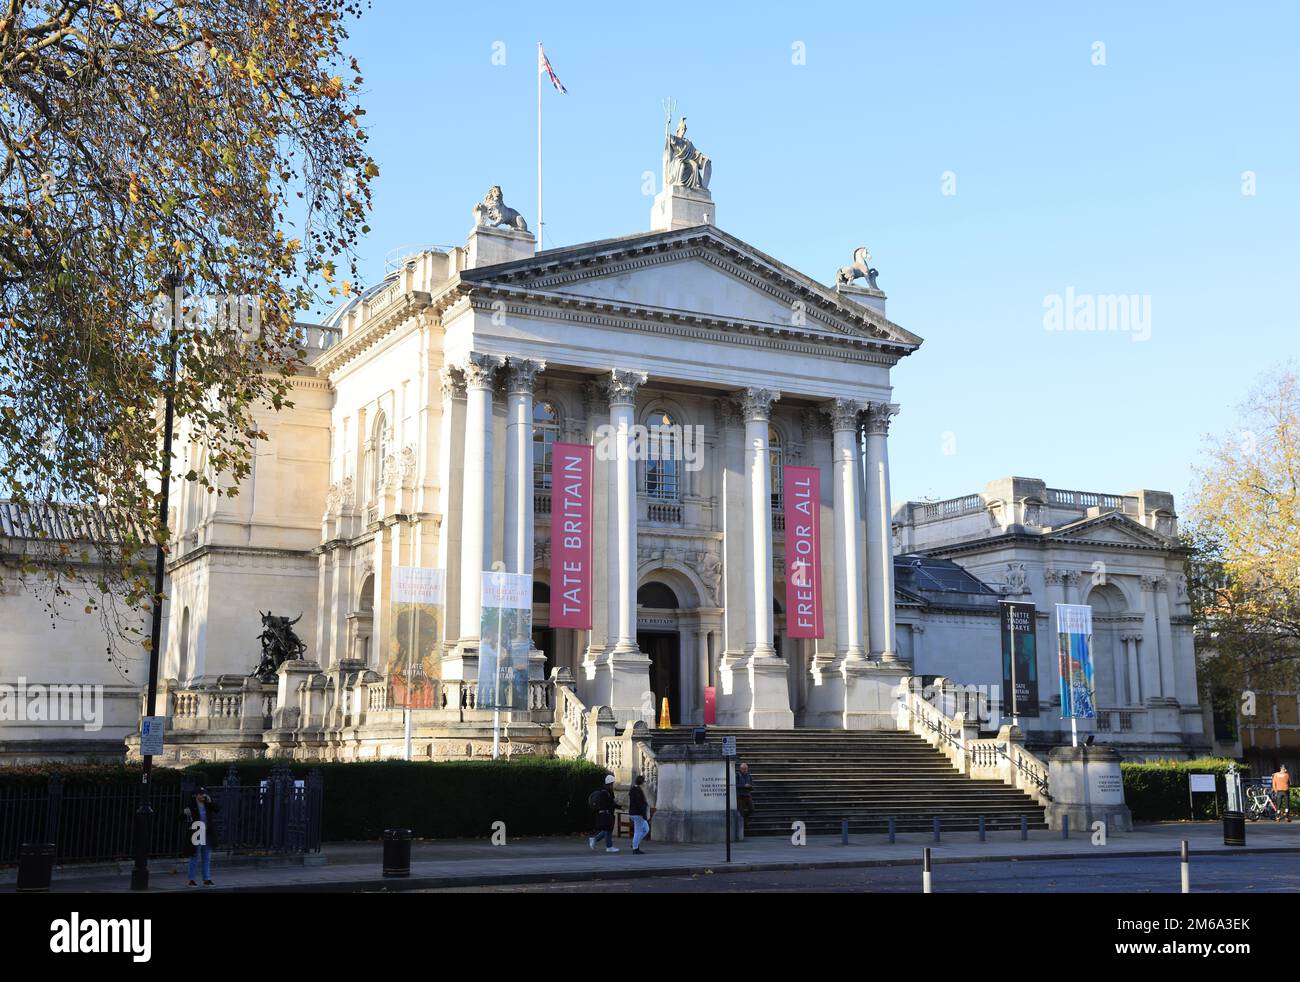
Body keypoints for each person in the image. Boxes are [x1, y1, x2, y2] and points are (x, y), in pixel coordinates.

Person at [181, 785, 221, 886]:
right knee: (194, 856)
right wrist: (184, 813)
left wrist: (210, 801)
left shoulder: (208, 804)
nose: (202, 796)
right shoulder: (191, 805)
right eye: (200, 794)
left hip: (207, 833)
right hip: (196, 833)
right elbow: (181, 818)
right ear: (196, 795)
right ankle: (191, 879)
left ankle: (207, 879)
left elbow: (217, 809)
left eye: (203, 794)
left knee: (206, 857)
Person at [587, 774, 620, 853]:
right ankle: (609, 846)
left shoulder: (605, 791)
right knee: (608, 830)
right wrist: (617, 805)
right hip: (606, 813)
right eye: (612, 783)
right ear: (610, 783)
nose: (613, 785)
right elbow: (609, 803)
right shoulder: (606, 792)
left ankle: (595, 839)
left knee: (607, 830)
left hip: (605, 813)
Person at [628, 774, 651, 854]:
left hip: (635, 813)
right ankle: (635, 848)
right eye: (644, 782)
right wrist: (643, 813)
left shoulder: (635, 789)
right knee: (638, 831)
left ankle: (635, 843)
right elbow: (639, 803)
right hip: (638, 813)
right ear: (641, 783)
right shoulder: (637, 790)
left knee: (646, 829)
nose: (644, 784)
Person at [736, 762, 754, 829]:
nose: (745, 770)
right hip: (740, 796)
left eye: (746, 769)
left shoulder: (749, 776)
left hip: (747, 795)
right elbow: (735, 785)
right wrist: (744, 786)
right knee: (741, 812)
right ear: (740, 769)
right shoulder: (737, 775)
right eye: (743, 769)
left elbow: (752, 784)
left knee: (752, 809)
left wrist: (750, 786)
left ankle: (745, 819)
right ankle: (744, 825)